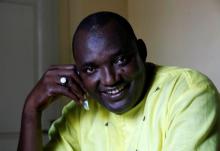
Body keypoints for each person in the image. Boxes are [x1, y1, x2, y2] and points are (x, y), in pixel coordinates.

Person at [18, 11, 220, 151]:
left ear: (141, 52)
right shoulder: (79, 113)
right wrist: (31, 111)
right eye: (90, 69)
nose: (110, 79)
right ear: (79, 73)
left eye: (120, 60)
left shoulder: (188, 93)